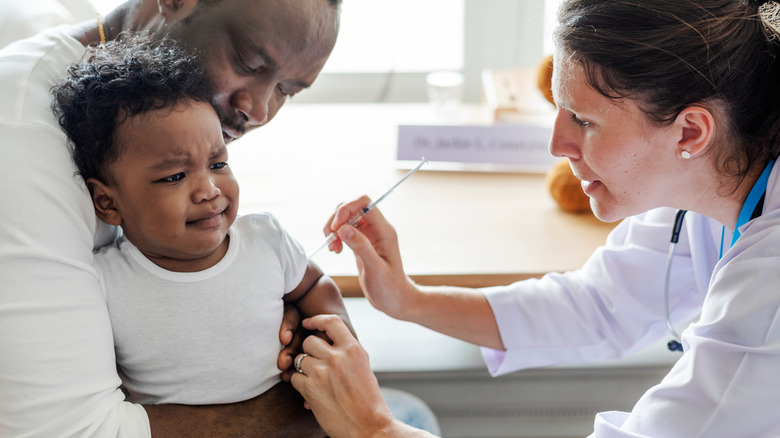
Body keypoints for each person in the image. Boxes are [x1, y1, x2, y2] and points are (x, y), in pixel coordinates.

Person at [290, 0, 780, 437]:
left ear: (690, 132)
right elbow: (600, 305)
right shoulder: (716, 175)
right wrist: (407, 300)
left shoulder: (770, 287)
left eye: (584, 122)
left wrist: (372, 428)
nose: (556, 146)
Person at [0, 0, 339, 436]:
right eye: (248, 62)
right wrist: (311, 405)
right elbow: (67, 430)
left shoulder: (160, 118)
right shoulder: (23, 140)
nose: (260, 110)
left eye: (287, 90)